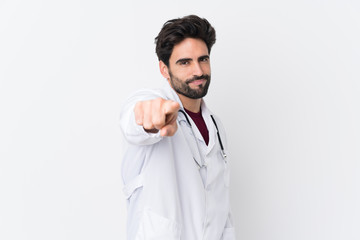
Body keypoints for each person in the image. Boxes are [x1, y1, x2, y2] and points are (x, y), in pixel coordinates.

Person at [119, 15, 236, 240]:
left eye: (203, 59)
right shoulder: (153, 104)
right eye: (185, 62)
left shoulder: (216, 127)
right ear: (164, 69)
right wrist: (151, 119)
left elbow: (220, 207)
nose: (198, 71)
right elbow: (136, 119)